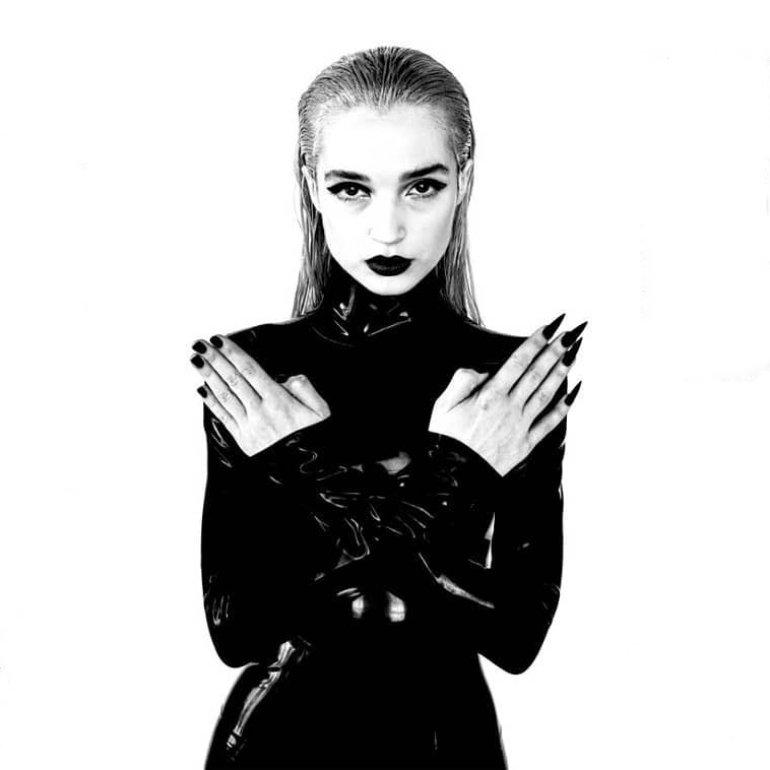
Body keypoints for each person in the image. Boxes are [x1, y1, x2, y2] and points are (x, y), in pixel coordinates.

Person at [189, 45, 585, 770]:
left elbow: (517, 638)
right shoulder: (256, 371)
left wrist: (306, 468)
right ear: (309, 184)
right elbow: (236, 630)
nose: (388, 228)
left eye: (421, 186)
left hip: (445, 745)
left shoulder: (510, 380)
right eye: (351, 189)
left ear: (465, 180)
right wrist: (453, 472)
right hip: (275, 746)